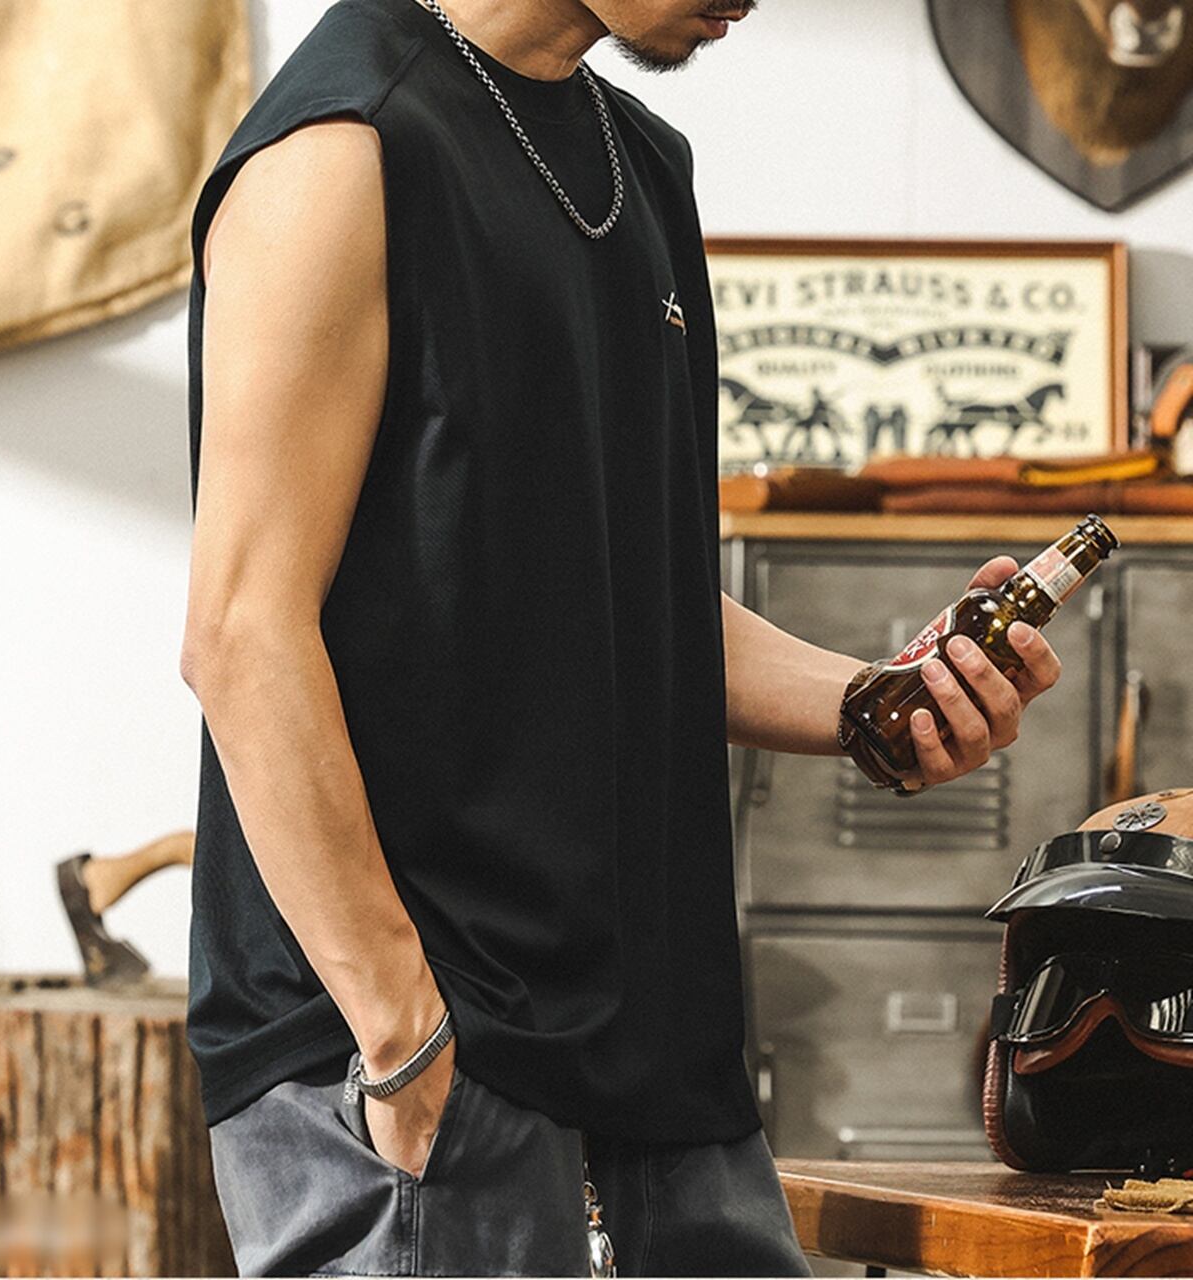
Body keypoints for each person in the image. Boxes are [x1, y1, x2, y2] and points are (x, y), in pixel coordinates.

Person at [178, 0, 1064, 1274]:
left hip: (657, 1052)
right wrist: (402, 1033)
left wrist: (872, 700)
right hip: (425, 1054)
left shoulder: (636, 162)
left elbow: (627, 589)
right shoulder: (342, 145)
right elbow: (242, 631)